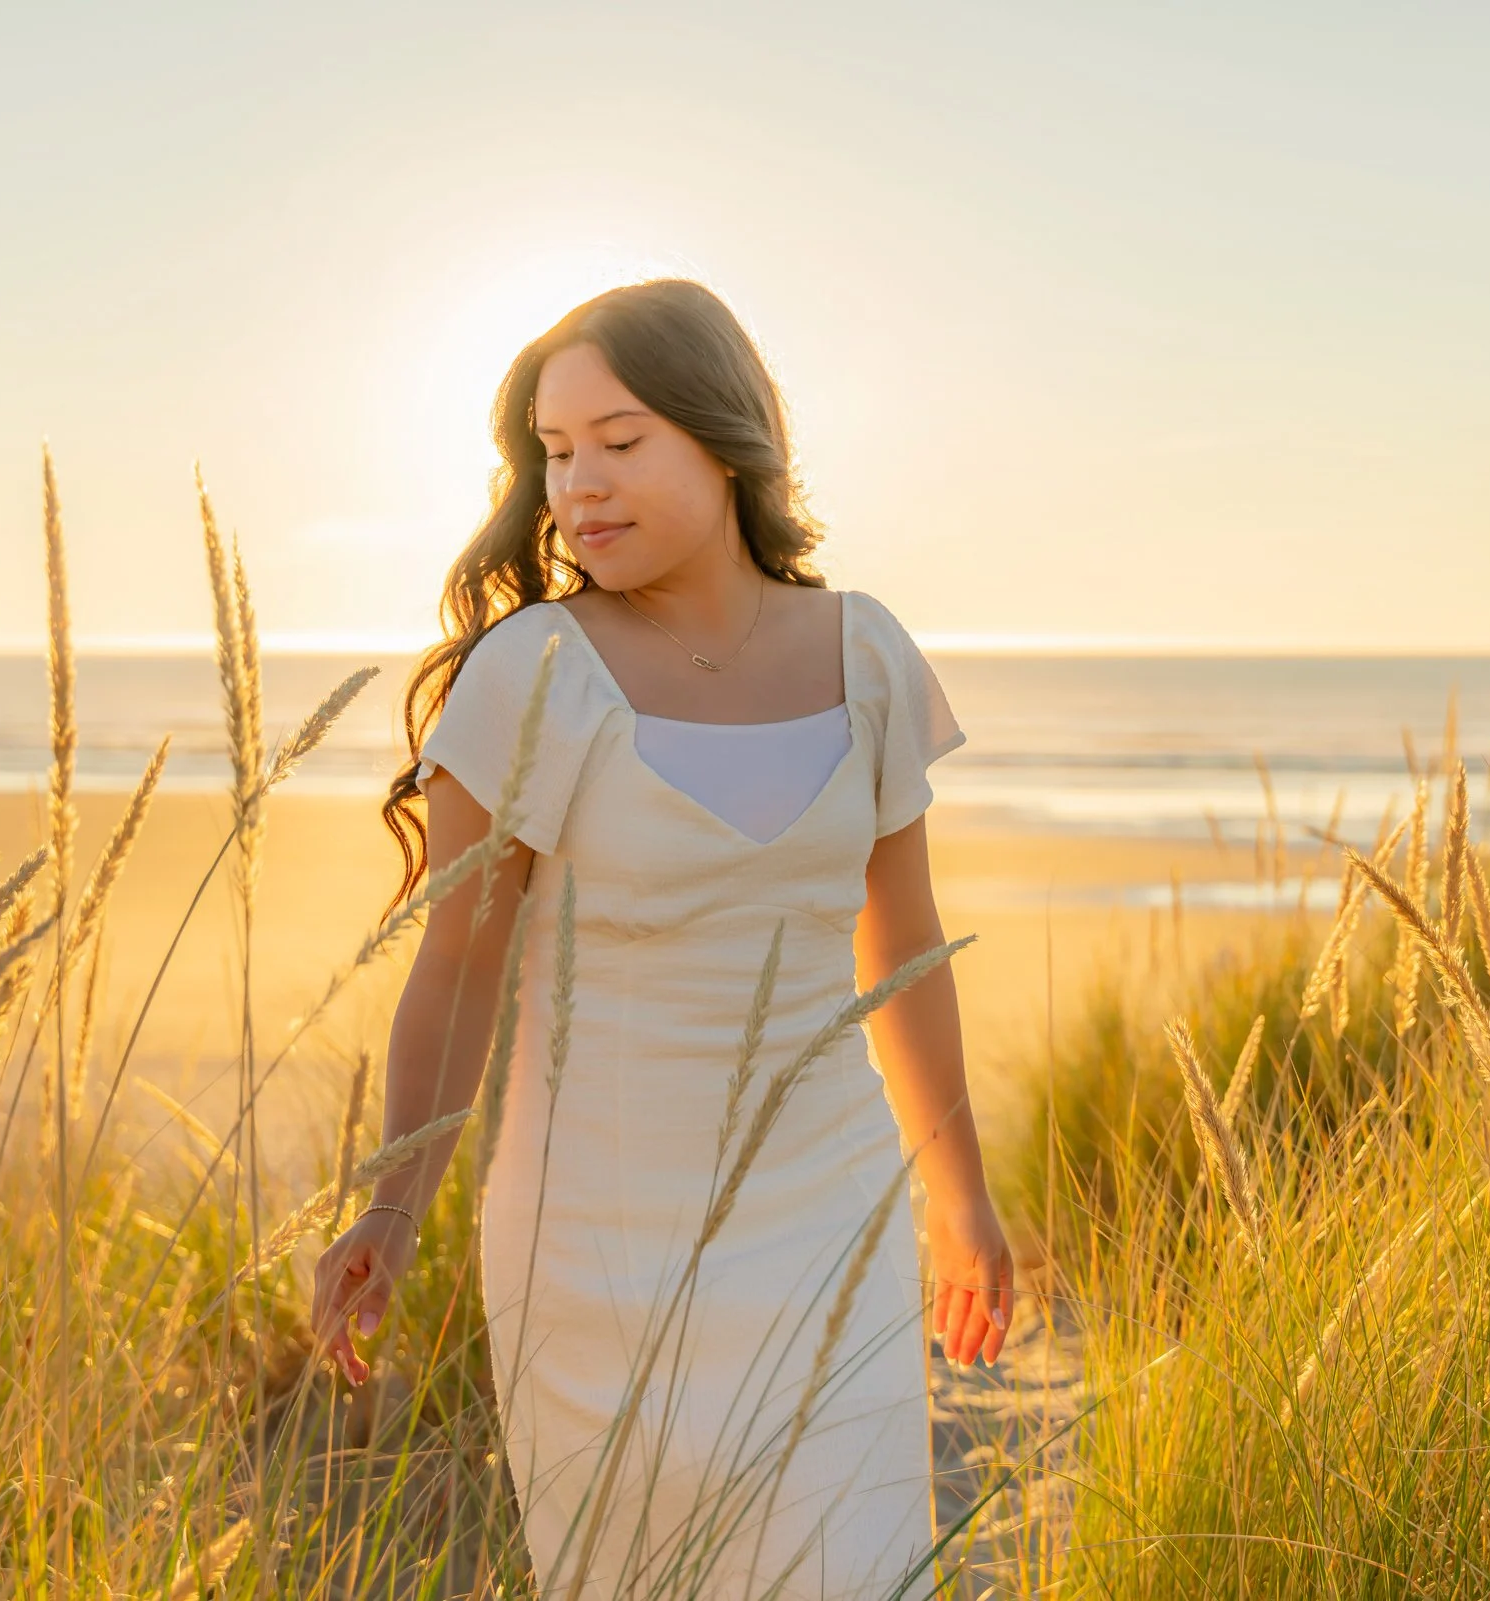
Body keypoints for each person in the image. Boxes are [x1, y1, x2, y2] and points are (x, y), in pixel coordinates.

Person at [310, 278, 1013, 1600]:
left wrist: (957, 1188)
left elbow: (901, 941)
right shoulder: (529, 672)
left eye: (620, 443)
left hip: (831, 1210)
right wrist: (396, 1203)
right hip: (598, 1232)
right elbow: (457, 965)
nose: (580, 486)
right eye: (556, 454)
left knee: (850, 1565)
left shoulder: (867, 654)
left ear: (724, 435)